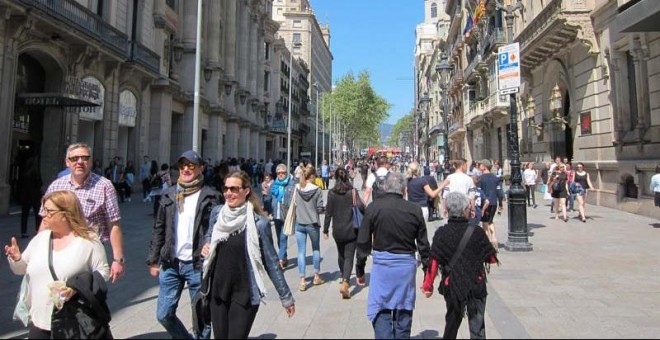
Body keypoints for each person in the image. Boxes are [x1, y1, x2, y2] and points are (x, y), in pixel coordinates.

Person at [200, 171, 295, 338]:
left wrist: (286, 297)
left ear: (246, 191)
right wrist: (206, 245)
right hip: (218, 290)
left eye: (234, 189)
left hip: (244, 293)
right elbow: (209, 235)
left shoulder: (259, 223)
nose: (228, 193)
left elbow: (272, 263)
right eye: (226, 188)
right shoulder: (217, 214)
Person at [6, 190, 111, 338]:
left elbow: (103, 271)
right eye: (43, 209)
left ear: (65, 214)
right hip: (39, 322)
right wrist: (16, 259)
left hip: (72, 323)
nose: (43, 214)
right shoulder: (40, 239)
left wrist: (76, 287)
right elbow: (21, 269)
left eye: (49, 211)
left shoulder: (88, 241)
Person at [146, 150, 219, 339]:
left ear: (201, 168)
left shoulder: (211, 196)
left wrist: (209, 244)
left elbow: (217, 228)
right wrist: (154, 260)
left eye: (191, 165)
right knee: (163, 314)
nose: (186, 169)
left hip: (197, 264)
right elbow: (159, 228)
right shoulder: (169, 194)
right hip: (171, 263)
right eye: (182, 166)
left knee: (202, 317)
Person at [357, 171, 431, 339]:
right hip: (405, 267)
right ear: (404, 189)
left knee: (381, 308)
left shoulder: (374, 208)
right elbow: (423, 244)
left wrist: (360, 269)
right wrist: (427, 271)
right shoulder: (414, 210)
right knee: (404, 308)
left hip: (383, 265)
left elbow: (363, 241)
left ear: (384, 187)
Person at [41, 142, 125, 283]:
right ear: (67, 162)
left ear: (91, 161)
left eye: (84, 158)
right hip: (58, 250)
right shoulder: (56, 186)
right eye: (74, 158)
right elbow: (45, 222)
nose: (80, 162)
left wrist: (118, 259)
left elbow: (114, 224)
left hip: (89, 252)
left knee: (86, 296)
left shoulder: (104, 186)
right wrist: (38, 251)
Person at [421, 192, 498, 339]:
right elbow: (492, 259)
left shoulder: (441, 233)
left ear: (447, 211)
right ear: (465, 210)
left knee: (452, 323)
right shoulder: (477, 232)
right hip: (476, 282)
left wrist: (427, 286)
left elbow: (433, 262)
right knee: (477, 325)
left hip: (452, 284)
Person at [323, 168, 366, 299]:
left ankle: (343, 276)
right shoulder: (352, 191)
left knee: (341, 255)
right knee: (349, 256)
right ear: (347, 177)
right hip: (351, 229)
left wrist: (325, 230)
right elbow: (361, 207)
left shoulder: (331, 193)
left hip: (337, 229)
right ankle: (346, 281)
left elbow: (328, 213)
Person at [294, 166, 325, 291]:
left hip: (299, 223)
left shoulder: (297, 188)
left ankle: (302, 280)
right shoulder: (317, 190)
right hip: (312, 223)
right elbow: (319, 208)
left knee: (301, 252)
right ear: (311, 177)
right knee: (316, 249)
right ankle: (316, 276)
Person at [270, 163, 296, 269]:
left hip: (286, 215)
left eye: (283, 173)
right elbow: (268, 199)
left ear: (286, 173)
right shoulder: (274, 184)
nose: (281, 175)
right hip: (276, 215)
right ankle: (284, 257)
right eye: (279, 173)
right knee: (278, 237)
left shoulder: (291, 184)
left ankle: (280, 260)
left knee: (282, 238)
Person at [17, 153, 42, 239]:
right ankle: (37, 230)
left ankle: (23, 232)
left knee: (24, 214)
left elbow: (20, 185)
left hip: (25, 196)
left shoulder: (24, 174)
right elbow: (40, 183)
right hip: (35, 196)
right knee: (38, 214)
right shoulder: (35, 173)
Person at [478, 160, 501, 249]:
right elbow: (499, 191)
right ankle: (494, 238)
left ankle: (486, 242)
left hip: (485, 203)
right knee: (490, 220)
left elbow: (479, 191)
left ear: (484, 166)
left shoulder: (481, 178)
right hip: (494, 202)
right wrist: (501, 203)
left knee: (485, 222)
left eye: (480, 165)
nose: (479, 166)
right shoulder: (495, 178)